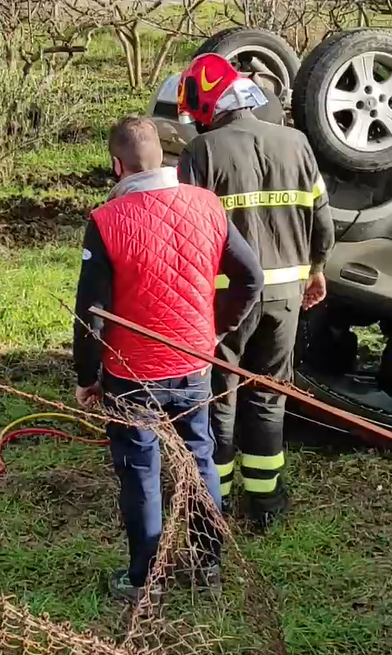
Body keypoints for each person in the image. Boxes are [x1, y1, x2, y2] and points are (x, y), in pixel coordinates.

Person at [73, 116, 263, 601]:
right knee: (200, 459)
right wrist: (217, 327)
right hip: (193, 365)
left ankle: (143, 579)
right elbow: (251, 278)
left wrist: (87, 375)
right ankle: (208, 565)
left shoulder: (106, 221)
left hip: (130, 373)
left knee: (140, 469)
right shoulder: (209, 205)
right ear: (163, 155)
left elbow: (90, 313)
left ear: (117, 165)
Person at [175, 53, 334, 529]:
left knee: (219, 398)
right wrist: (316, 269)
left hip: (225, 299)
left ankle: (212, 504)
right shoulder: (298, 144)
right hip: (286, 297)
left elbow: (187, 233)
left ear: (206, 105)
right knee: (268, 395)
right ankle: (266, 508)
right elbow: (322, 221)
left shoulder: (201, 153)